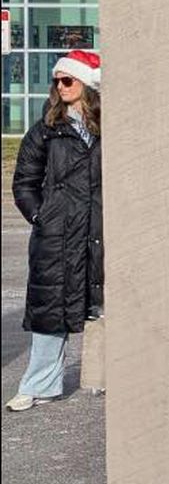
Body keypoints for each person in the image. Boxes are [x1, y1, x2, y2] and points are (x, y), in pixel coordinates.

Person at [8, 50, 103, 412]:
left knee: (110, 305)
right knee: (51, 310)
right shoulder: (46, 130)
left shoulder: (110, 127)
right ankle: (39, 385)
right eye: (57, 81)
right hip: (58, 233)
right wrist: (40, 217)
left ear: (88, 85)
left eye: (68, 80)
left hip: (99, 230)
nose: (60, 86)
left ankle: (121, 378)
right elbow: (25, 182)